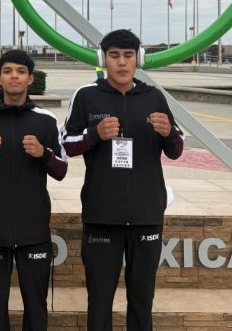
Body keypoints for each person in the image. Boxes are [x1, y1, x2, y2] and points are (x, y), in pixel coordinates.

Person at [61, 30, 183, 331]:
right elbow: (66, 144)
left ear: (138, 59)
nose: (122, 62)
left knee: (142, 300)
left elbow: (176, 150)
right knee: (99, 300)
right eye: (114, 55)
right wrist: (94, 134)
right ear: (104, 59)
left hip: (146, 215)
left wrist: (168, 132)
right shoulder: (87, 95)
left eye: (128, 55)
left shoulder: (154, 96)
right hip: (102, 214)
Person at [0, 49, 67, 331]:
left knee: (36, 306)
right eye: (8, 71)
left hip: (34, 232)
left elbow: (61, 171)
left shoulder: (45, 120)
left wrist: (43, 153)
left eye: (20, 71)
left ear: (31, 78)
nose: (14, 76)